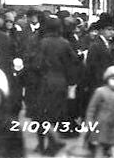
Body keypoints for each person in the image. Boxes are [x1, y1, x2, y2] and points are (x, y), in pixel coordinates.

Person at [27, 16, 80, 156]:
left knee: (41, 114)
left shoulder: (43, 42)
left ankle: (42, 144)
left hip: (44, 82)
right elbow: (74, 60)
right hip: (60, 82)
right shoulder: (64, 43)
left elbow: (35, 63)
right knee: (55, 115)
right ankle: (52, 143)